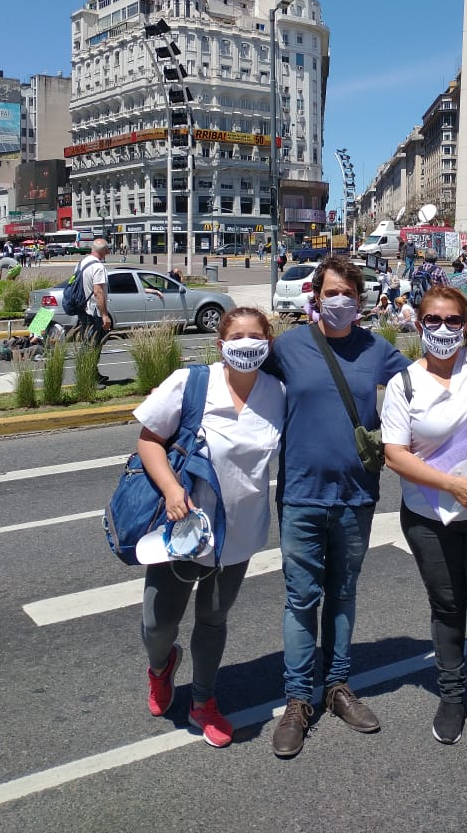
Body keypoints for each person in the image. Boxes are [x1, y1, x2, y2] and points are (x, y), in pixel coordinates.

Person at [266, 255, 410, 758]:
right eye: (332, 292)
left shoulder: (377, 349)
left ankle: (337, 686)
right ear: (316, 297)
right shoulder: (289, 347)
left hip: (355, 496)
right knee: (301, 600)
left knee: (343, 594)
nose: (341, 301)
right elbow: (242, 383)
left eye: (349, 293)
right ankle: (298, 700)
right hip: (301, 495)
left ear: (361, 300)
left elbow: (424, 389)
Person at [133, 307, 285, 748]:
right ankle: (161, 666)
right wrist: (171, 490)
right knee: (158, 623)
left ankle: (203, 700)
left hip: (239, 531)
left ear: (268, 343)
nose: (246, 344)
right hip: (182, 527)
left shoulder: (278, 393)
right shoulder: (192, 383)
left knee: (213, 618)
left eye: (255, 336)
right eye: (236, 337)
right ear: (221, 345)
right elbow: (148, 440)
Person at [381, 286, 467, 746]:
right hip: (430, 518)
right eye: (433, 320)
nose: (442, 329)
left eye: (453, 320)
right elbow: (395, 454)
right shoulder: (404, 384)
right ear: (419, 325)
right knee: (448, 608)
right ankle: (453, 695)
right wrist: (450, 484)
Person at [78, 238, 112, 386]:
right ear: (103, 250)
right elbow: (98, 292)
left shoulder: (82, 263)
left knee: (88, 344)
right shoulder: (98, 267)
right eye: (108, 249)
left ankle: (93, 374)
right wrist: (104, 315)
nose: (108, 252)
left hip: (83, 310)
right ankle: (89, 379)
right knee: (92, 346)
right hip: (94, 312)